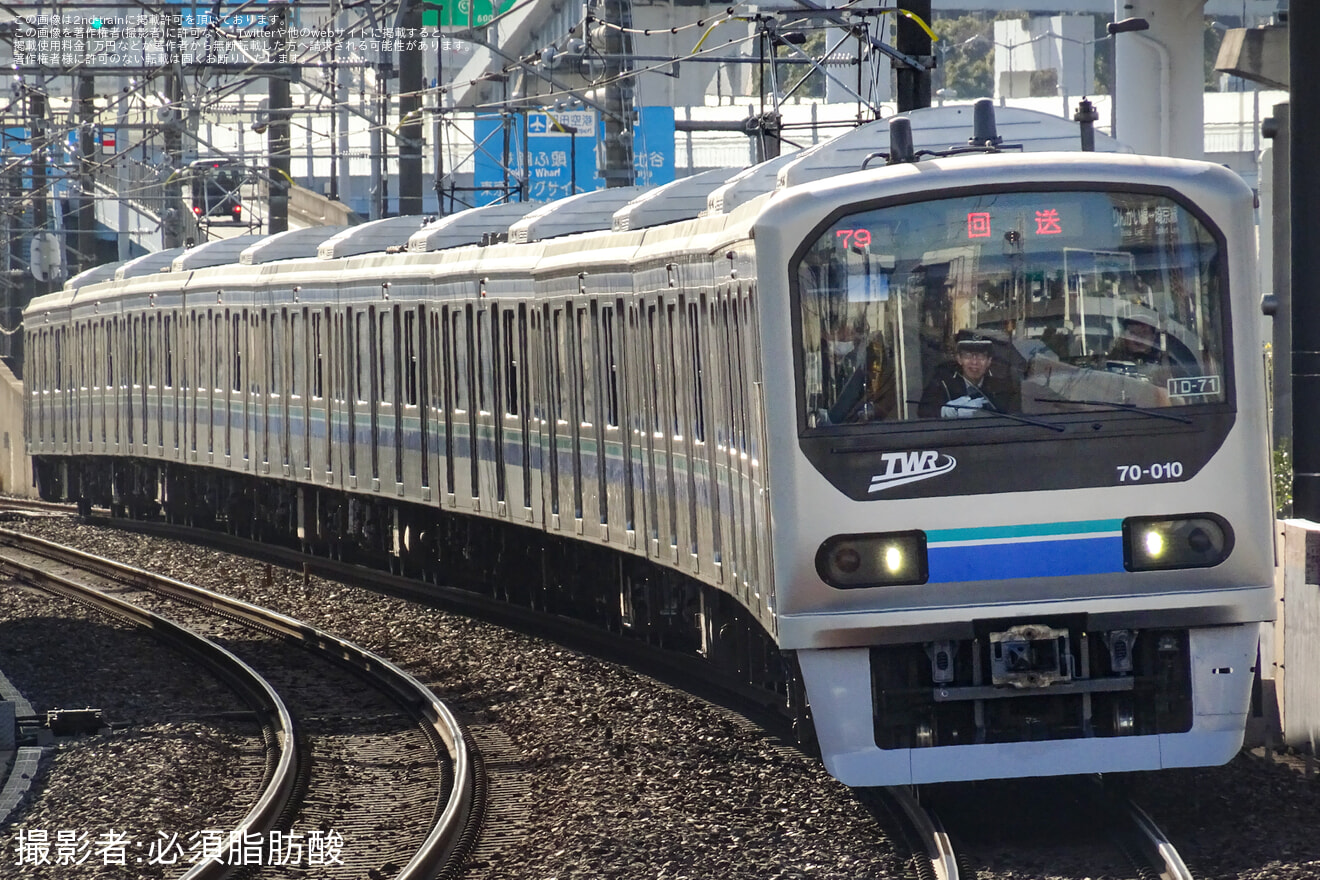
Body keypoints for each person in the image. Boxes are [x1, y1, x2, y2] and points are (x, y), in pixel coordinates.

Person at [918, 331, 1019, 419]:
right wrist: (947, 412)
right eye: (968, 356)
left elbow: (1014, 417)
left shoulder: (1002, 386)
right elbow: (923, 412)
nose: (974, 362)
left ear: (989, 361)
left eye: (981, 356)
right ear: (959, 359)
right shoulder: (942, 381)